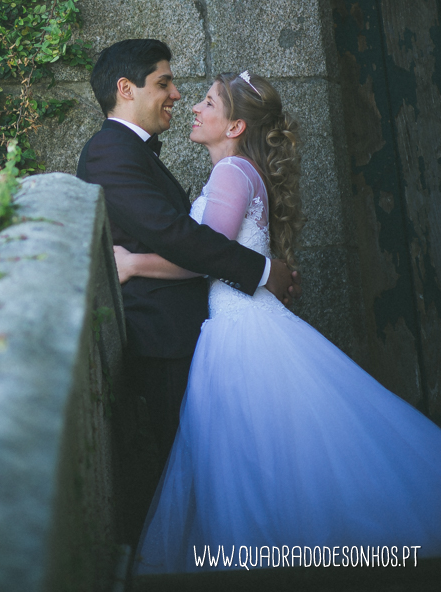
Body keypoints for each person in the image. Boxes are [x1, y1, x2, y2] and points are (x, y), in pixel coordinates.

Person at [123, 70, 441, 573]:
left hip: (240, 331)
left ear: (234, 127)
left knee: (251, 456)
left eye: (207, 102)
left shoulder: (230, 174)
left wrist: (134, 263)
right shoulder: (240, 172)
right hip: (241, 320)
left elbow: (209, 255)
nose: (193, 108)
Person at [76, 40, 296, 472]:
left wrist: (135, 263)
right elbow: (176, 235)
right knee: (196, 469)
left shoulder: (136, 153)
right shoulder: (108, 152)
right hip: (163, 342)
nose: (177, 94)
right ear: (126, 88)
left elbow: (184, 239)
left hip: (186, 336)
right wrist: (264, 269)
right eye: (165, 82)